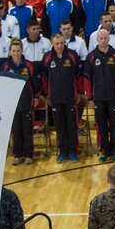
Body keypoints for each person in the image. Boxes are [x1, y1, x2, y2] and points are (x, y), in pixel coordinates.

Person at [84, 28, 115, 162]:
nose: (103, 41)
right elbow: (86, 78)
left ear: (109, 39)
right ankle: (104, 151)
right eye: (101, 38)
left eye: (105, 38)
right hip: (98, 99)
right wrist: (90, 98)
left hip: (114, 98)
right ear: (97, 40)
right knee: (101, 126)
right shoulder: (91, 57)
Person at [43, 34, 81, 162]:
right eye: (56, 44)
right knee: (59, 126)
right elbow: (44, 78)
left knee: (71, 125)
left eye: (61, 43)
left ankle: (73, 151)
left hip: (70, 97)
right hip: (55, 98)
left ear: (64, 43)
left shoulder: (72, 55)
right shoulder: (47, 57)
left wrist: (79, 92)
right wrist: (47, 94)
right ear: (52, 44)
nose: (59, 46)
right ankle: (63, 151)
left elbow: (78, 75)